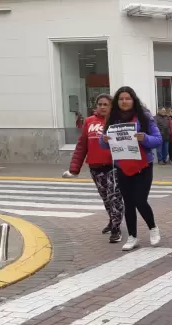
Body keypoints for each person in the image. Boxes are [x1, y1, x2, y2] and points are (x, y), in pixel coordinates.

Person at [99, 86, 163, 251]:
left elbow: (158, 140)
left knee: (140, 200)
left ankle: (153, 228)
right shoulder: (113, 118)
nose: (124, 102)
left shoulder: (144, 116)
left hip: (143, 165)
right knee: (128, 202)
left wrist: (144, 138)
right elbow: (103, 143)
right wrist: (104, 140)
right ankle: (132, 236)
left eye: (127, 98)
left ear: (133, 100)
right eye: (121, 99)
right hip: (123, 165)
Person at [66, 94, 124, 243]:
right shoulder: (89, 121)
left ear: (111, 106)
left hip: (113, 166)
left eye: (106, 104)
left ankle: (116, 228)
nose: (102, 107)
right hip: (95, 167)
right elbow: (82, 146)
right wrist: (74, 169)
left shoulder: (117, 121)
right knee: (106, 198)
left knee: (114, 197)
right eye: (100, 104)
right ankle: (112, 220)